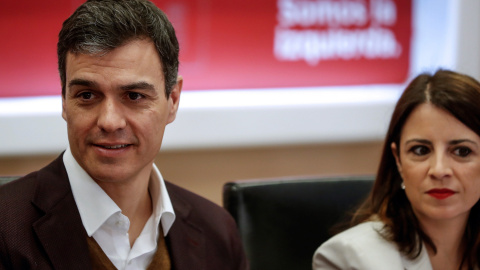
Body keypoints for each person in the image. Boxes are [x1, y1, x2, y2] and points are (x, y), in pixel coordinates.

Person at [0, 0, 248, 269]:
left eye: (134, 96)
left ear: (173, 100)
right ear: (63, 101)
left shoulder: (217, 231)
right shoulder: (6, 227)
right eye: (87, 95)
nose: (109, 121)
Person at [313, 69, 480, 270]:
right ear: (398, 160)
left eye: (462, 151)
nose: (439, 170)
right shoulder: (351, 259)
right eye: (421, 150)